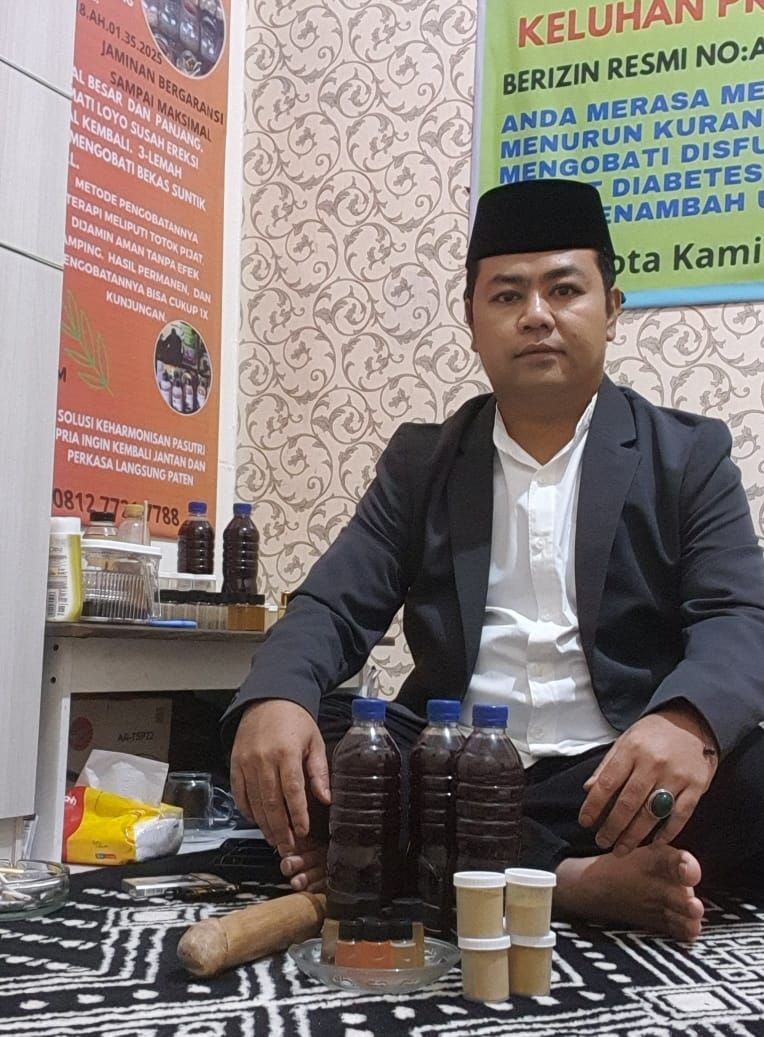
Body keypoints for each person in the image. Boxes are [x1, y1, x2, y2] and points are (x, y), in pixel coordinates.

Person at [222, 179, 764, 942]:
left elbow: (739, 613)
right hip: (455, 772)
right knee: (287, 736)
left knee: (748, 763)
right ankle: (571, 883)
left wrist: (687, 720)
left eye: (564, 290)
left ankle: (427, 866)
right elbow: (334, 605)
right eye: (507, 295)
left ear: (612, 308)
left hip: (615, 776)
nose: (536, 314)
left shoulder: (688, 455)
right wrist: (277, 697)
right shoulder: (423, 462)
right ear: (473, 322)